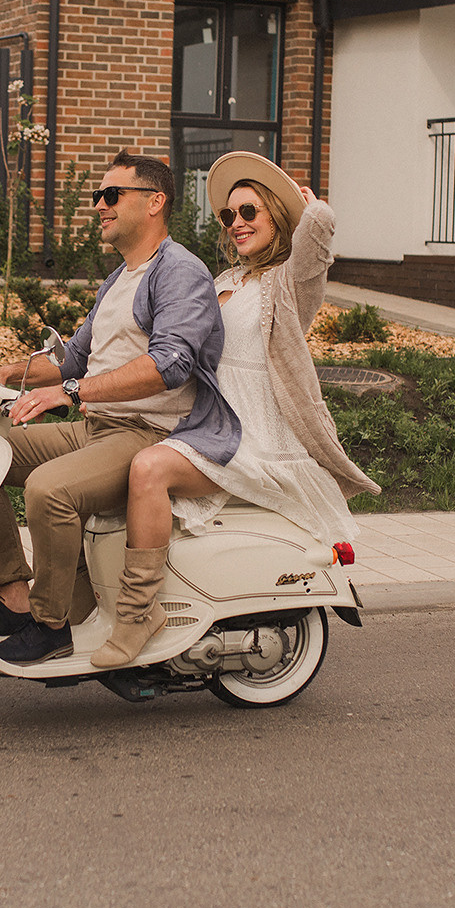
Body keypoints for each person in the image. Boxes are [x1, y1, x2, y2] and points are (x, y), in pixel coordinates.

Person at [103, 151, 379, 668]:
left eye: (249, 212)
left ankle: (137, 614)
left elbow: (316, 245)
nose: (236, 223)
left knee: (148, 469)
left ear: (277, 214)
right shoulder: (225, 281)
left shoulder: (289, 284)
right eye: (229, 215)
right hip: (210, 426)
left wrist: (313, 212)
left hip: (258, 436)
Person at [0, 150, 237, 664]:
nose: (99, 204)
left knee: (49, 490)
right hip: (97, 426)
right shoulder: (120, 277)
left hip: (148, 432)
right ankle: (13, 592)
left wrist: (72, 393)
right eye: (98, 195)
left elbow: (170, 364)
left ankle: (52, 625)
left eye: (111, 194)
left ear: (155, 202)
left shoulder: (179, 271)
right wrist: (5, 374)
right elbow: (74, 358)